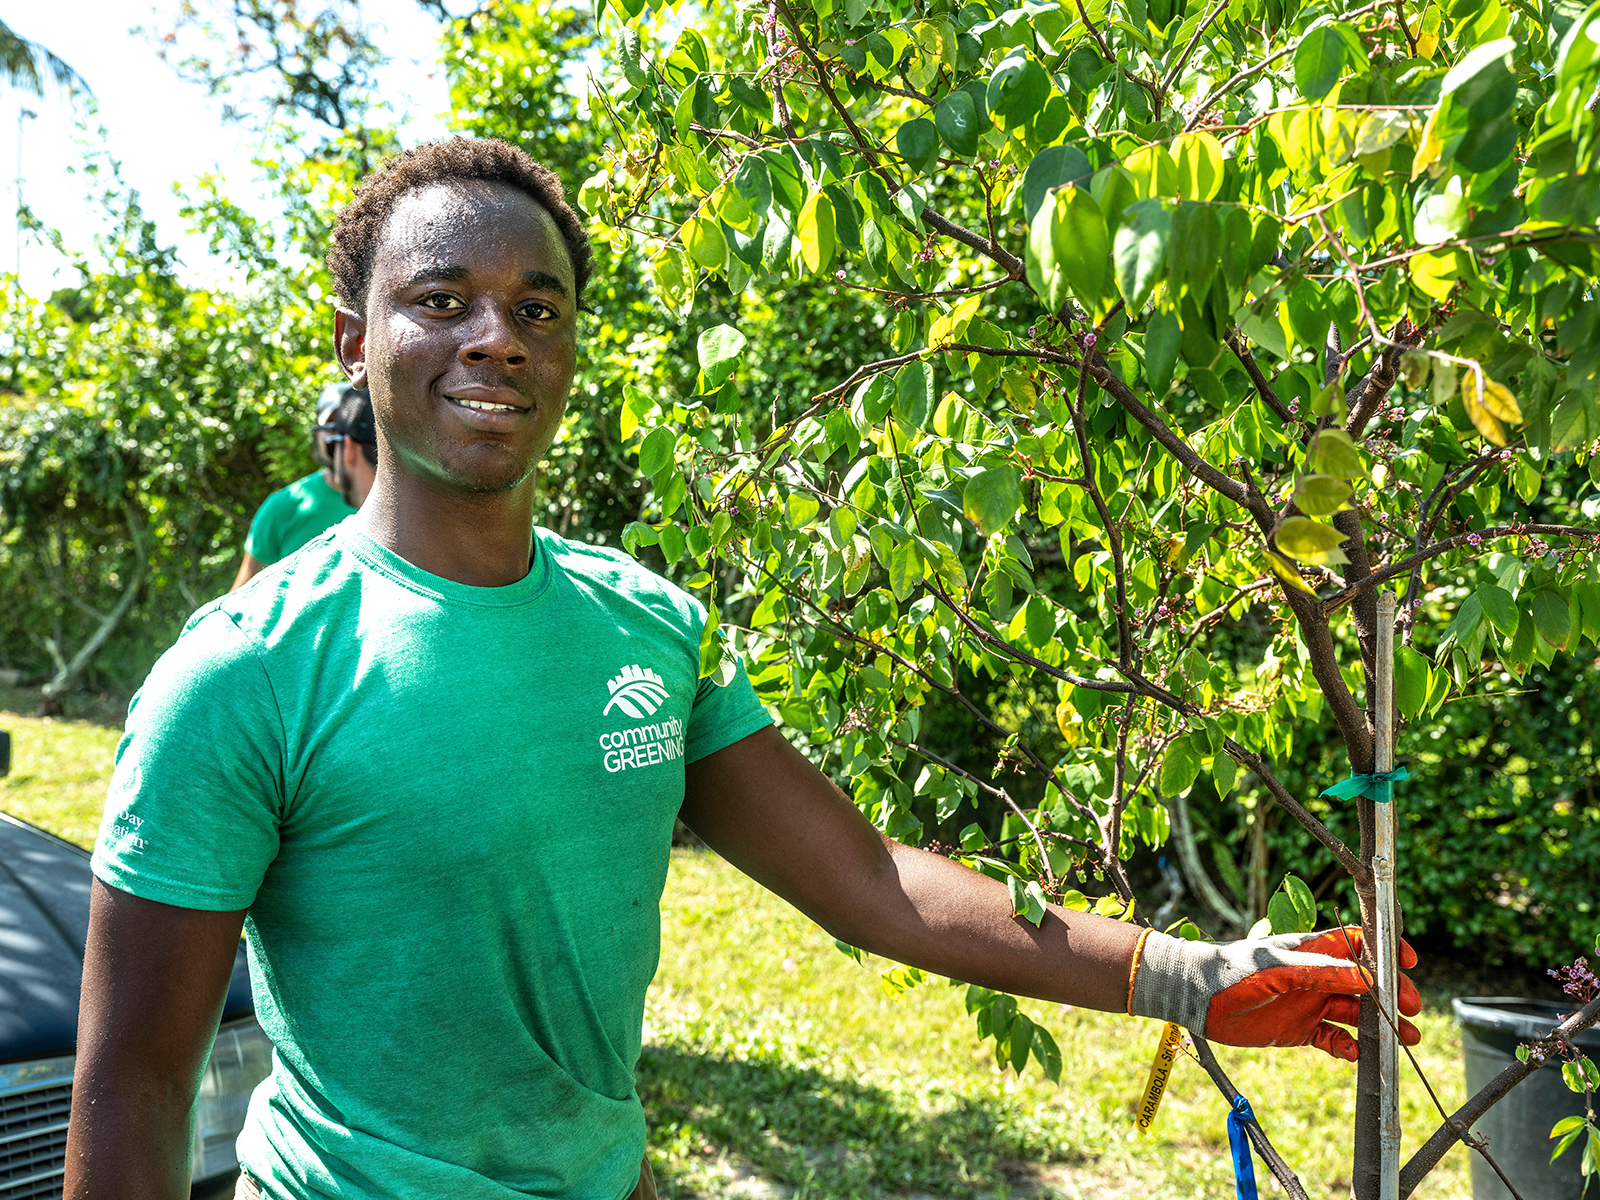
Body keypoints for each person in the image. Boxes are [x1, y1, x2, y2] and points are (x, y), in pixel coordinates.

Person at [67, 138, 1422, 1200]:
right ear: (358, 342)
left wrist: (1189, 973)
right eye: (441, 301)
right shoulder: (243, 674)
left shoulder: (642, 629)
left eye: (538, 305)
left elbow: (872, 881)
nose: (498, 336)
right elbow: (133, 1089)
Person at [227, 385, 362, 591]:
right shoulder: (285, 507)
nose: (342, 436)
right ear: (317, 434)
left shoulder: (404, 505)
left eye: (352, 423)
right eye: (333, 423)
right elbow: (239, 600)